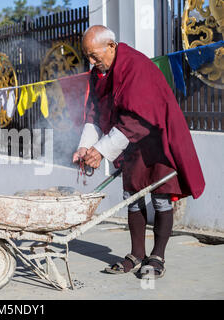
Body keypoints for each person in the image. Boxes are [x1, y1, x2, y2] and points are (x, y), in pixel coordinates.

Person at [72, 25, 205, 279]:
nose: (91, 62)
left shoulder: (136, 66)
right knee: (131, 196)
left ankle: (157, 256)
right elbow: (95, 111)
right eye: (87, 56)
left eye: (94, 55)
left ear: (111, 46)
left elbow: (138, 117)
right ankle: (136, 254)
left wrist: (101, 150)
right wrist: (85, 146)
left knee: (161, 198)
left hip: (156, 139)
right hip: (128, 141)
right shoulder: (99, 73)